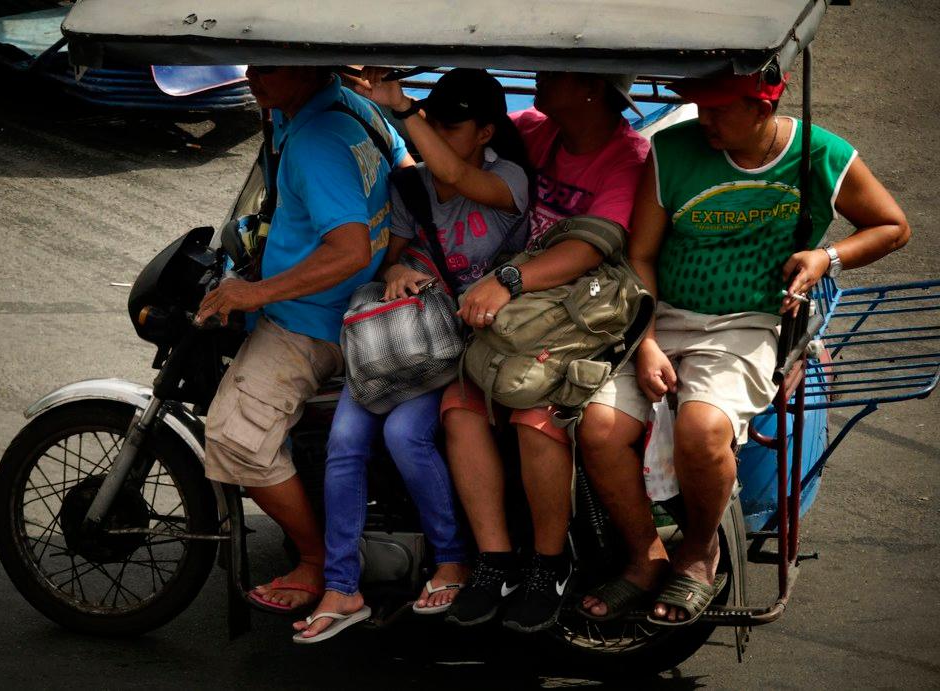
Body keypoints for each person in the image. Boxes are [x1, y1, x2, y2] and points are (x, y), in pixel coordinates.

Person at [577, 72, 911, 625]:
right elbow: (641, 256)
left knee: (703, 427)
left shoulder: (821, 154)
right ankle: (644, 555)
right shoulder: (671, 150)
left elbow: (893, 226)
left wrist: (826, 257)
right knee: (599, 429)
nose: (703, 120)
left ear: (763, 107)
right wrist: (647, 342)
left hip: (751, 325)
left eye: (718, 109)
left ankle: (700, 551)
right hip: (660, 317)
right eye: (700, 108)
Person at [292, 68, 532, 643]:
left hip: (466, 347)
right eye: (435, 122)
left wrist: (403, 111)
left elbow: (452, 172)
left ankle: (453, 561)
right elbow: (388, 257)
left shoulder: (510, 181)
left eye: (451, 125)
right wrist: (398, 268)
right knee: (345, 441)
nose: (438, 134)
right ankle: (342, 585)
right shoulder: (413, 187)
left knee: (405, 436)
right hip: (402, 339)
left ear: (485, 132)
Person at [195, 65, 412, 613]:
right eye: (253, 62)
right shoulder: (353, 107)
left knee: (232, 438)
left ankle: (316, 561)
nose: (252, 75)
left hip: (311, 321)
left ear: (312, 69)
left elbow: (348, 252)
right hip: (357, 304)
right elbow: (406, 172)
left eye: (271, 67)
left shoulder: (317, 141)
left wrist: (258, 293)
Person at [441, 72, 650, 633]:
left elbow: (589, 248)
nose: (538, 77)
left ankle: (550, 564)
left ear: (591, 88)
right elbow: (461, 162)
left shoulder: (628, 157)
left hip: (578, 316)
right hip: (516, 316)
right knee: (460, 407)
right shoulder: (536, 131)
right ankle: (495, 560)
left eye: (554, 71)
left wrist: (508, 279)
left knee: (538, 419)